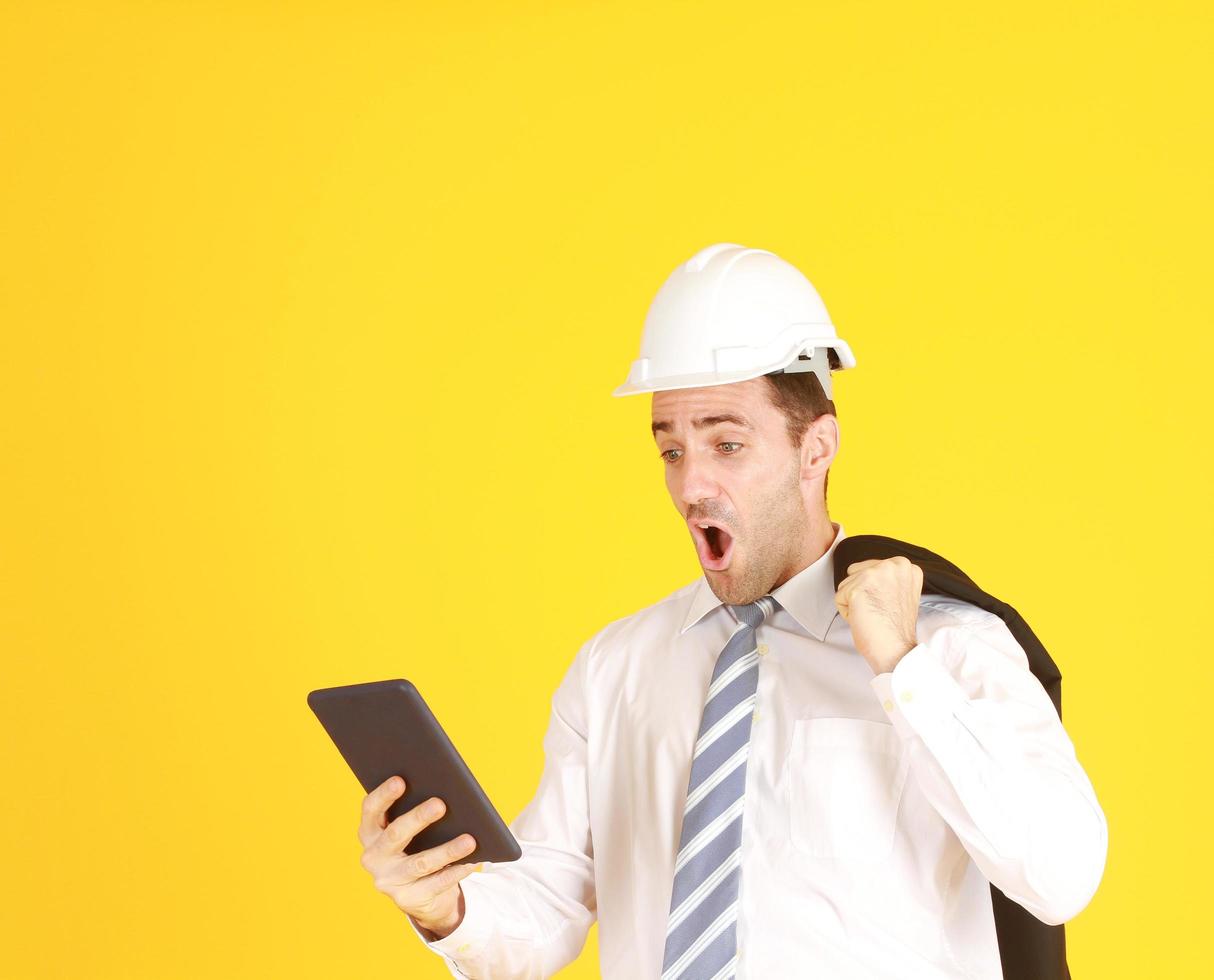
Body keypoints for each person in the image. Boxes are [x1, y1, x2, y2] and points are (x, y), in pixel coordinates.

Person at [354, 243, 1108, 978]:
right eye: (673, 450)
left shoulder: (950, 649)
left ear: (817, 448)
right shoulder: (616, 668)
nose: (692, 487)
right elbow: (546, 907)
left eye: (728, 444)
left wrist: (903, 670)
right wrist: (447, 908)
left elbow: (1059, 877)